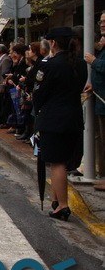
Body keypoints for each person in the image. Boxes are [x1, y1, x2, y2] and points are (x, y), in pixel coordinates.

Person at [34, 28, 88, 220]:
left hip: (53, 119)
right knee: (63, 162)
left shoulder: (48, 64)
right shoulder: (81, 64)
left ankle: (63, 206)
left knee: (56, 163)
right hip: (73, 118)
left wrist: (37, 109)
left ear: (53, 44)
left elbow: (39, 93)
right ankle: (56, 201)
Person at [84, 11, 105, 189]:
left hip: (104, 101)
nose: (102, 24)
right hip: (99, 98)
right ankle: (102, 174)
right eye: (101, 21)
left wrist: (94, 61)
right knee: (100, 139)